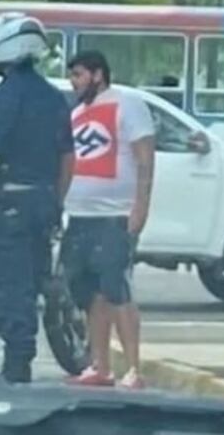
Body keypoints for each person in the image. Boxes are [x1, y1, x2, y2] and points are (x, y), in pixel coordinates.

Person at [0, 12, 75, 384]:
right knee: (33, 279)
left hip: (7, 205)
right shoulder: (55, 98)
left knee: (12, 285)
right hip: (43, 203)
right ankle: (22, 353)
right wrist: (54, 199)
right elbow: (67, 159)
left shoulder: (0, 97)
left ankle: (17, 365)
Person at [62, 50, 155, 390]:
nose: (74, 82)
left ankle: (133, 368)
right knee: (89, 293)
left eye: (79, 75)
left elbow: (145, 157)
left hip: (114, 216)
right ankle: (99, 365)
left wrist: (140, 205)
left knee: (118, 290)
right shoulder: (76, 115)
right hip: (80, 216)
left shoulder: (127, 104)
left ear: (98, 74)